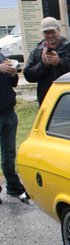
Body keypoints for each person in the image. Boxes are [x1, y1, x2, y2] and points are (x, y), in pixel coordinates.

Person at [23, 17, 70, 105]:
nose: (50, 36)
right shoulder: (37, 51)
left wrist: (60, 62)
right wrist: (43, 65)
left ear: (59, 30)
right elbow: (28, 75)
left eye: (53, 32)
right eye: (46, 33)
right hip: (47, 101)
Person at [0, 53, 23, 199]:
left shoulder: (1, 55)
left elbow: (12, 83)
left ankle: (13, 184)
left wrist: (13, 74)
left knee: (9, 153)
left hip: (8, 112)